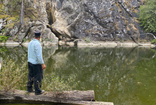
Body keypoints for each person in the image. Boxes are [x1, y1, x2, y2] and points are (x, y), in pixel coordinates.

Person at [27, 30, 46, 95]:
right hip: (36, 63)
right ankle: (37, 91)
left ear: (35, 36)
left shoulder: (30, 42)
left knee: (31, 75)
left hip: (30, 62)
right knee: (38, 77)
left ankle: (29, 89)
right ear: (40, 37)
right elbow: (39, 55)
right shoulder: (37, 44)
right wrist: (42, 63)